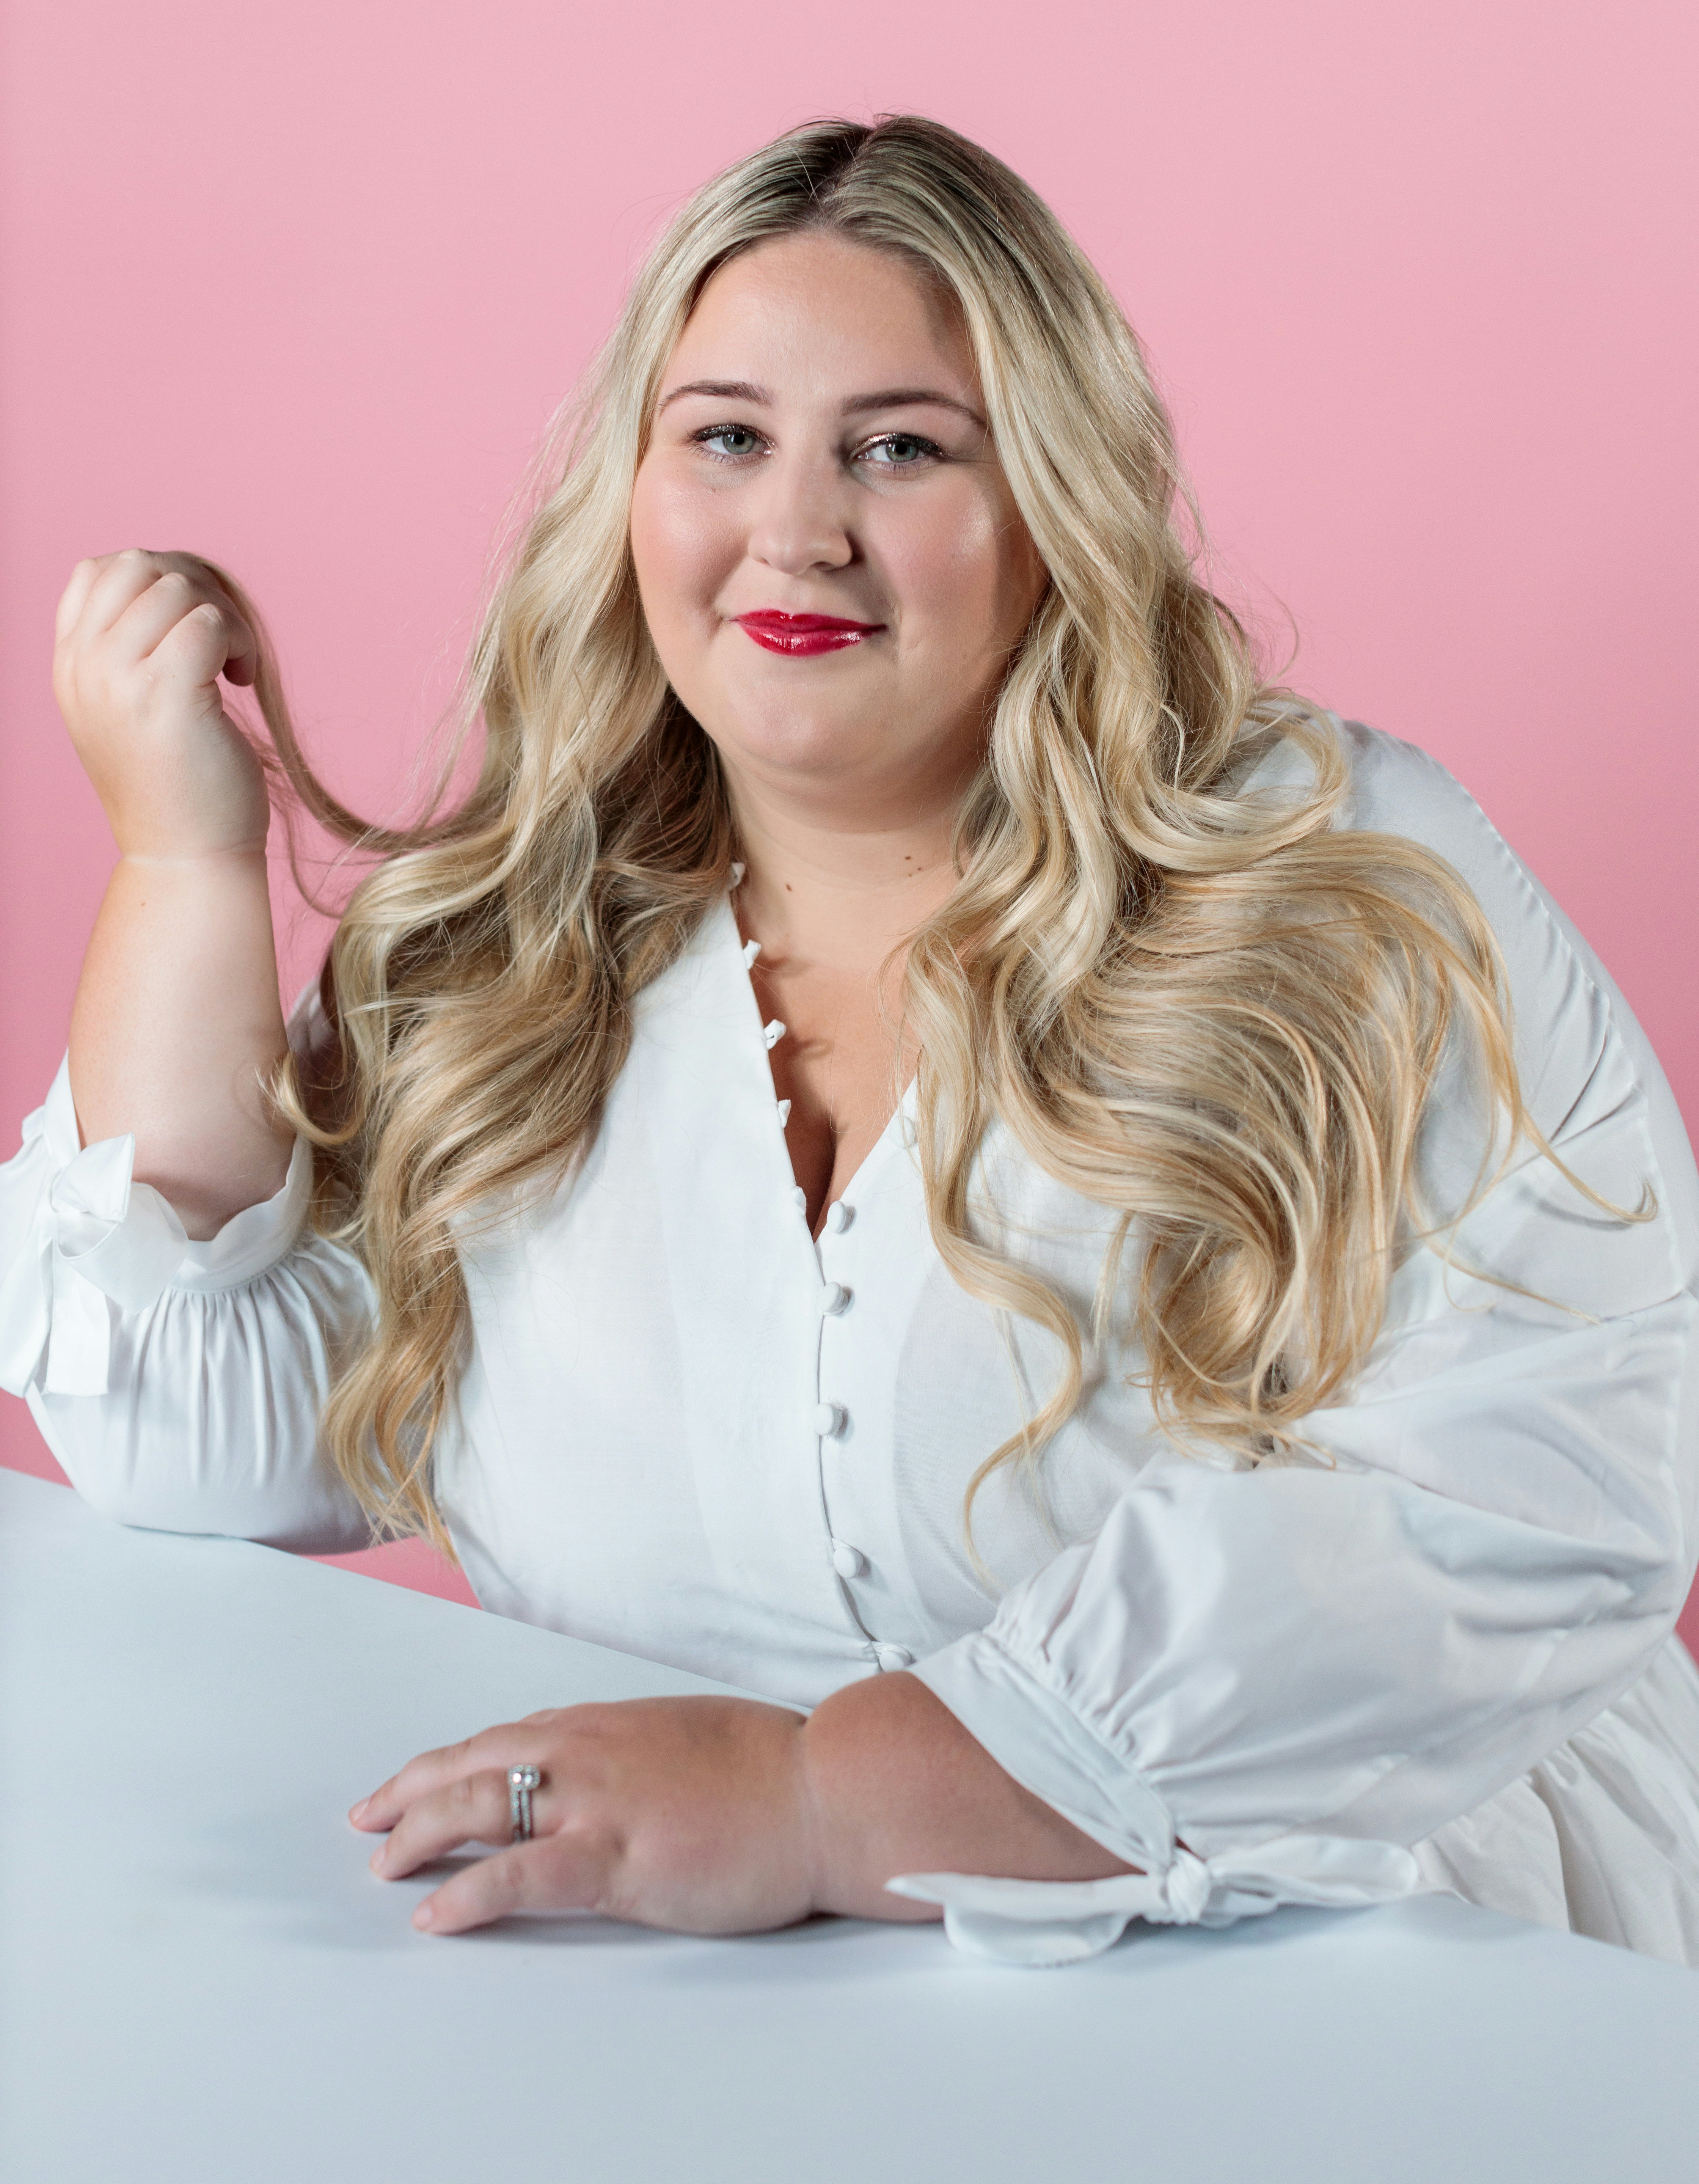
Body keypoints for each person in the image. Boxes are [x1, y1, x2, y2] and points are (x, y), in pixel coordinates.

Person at [4, 117, 1697, 1968]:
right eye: (725, 437)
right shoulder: (518, 943)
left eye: (899, 448)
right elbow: (201, 1441)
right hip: (730, 2022)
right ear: (633, 495)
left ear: (1052, 504)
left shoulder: (1336, 874)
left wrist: (830, 1800)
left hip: (1370, 1964)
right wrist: (183, 858)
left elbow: (1554, 1476)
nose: (795, 531)